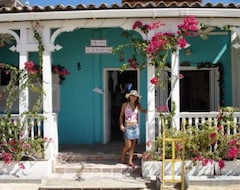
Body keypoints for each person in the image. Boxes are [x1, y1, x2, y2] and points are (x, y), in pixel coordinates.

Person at [119, 90, 147, 168]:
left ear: (136, 98)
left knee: (133, 146)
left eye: (135, 96)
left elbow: (142, 111)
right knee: (128, 145)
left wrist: (150, 110)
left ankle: (130, 161)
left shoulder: (138, 105)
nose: (133, 97)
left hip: (135, 127)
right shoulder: (125, 105)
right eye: (132, 96)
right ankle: (123, 156)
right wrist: (121, 125)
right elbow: (121, 115)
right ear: (129, 96)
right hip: (127, 126)